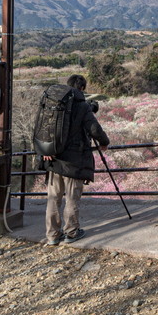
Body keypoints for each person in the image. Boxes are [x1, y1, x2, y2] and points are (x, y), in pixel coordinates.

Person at [40, 74, 110, 245]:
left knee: (53, 199)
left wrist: (43, 149)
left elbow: (40, 127)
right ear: (82, 89)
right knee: (71, 198)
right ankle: (71, 232)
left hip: (54, 157)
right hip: (74, 161)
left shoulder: (53, 103)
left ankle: (52, 236)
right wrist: (104, 142)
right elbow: (94, 128)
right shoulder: (81, 106)